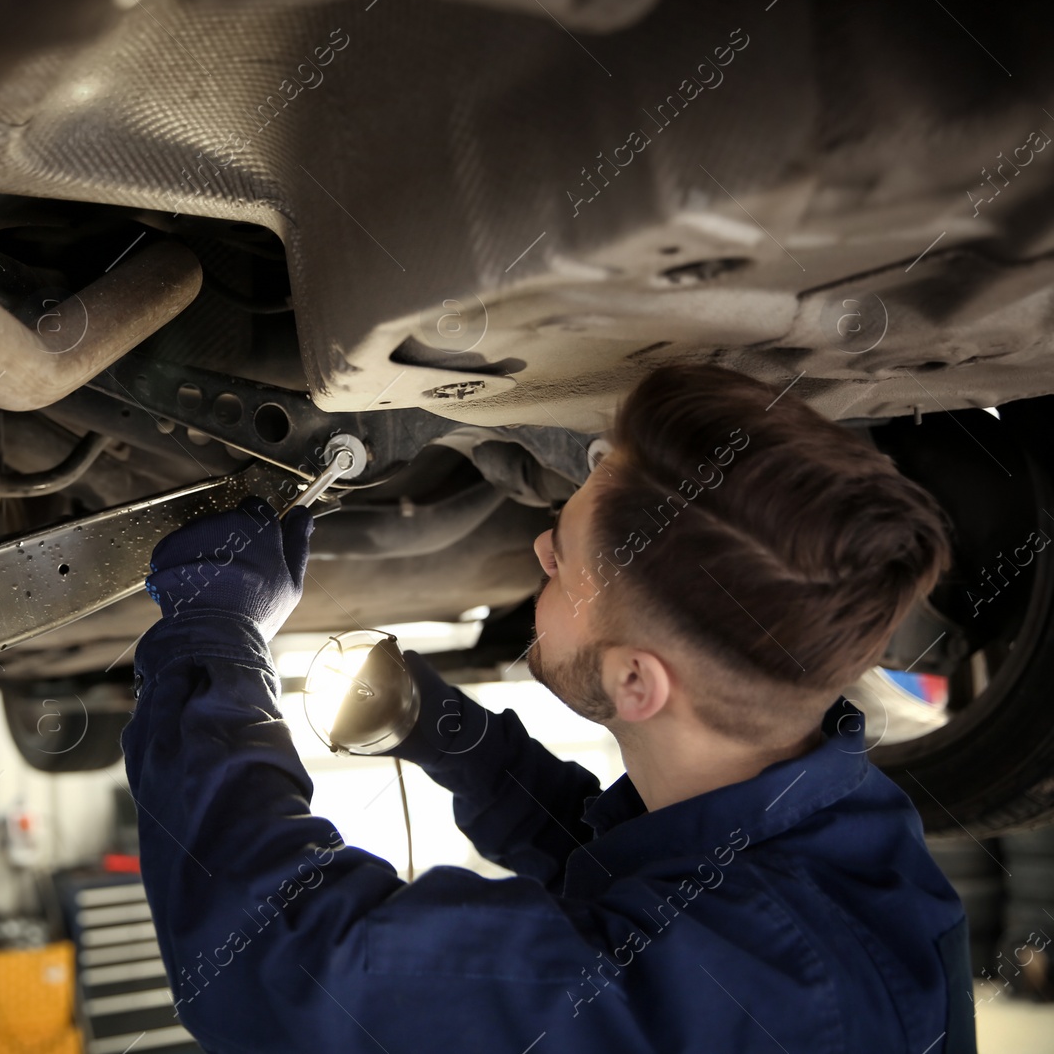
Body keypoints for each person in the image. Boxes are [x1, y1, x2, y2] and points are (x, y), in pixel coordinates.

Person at [121, 364, 974, 1053]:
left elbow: (282, 962)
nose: (537, 547)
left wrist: (216, 635)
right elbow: (635, 880)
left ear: (639, 683)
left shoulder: (765, 999)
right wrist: (452, 737)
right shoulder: (834, 837)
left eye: (560, 561)